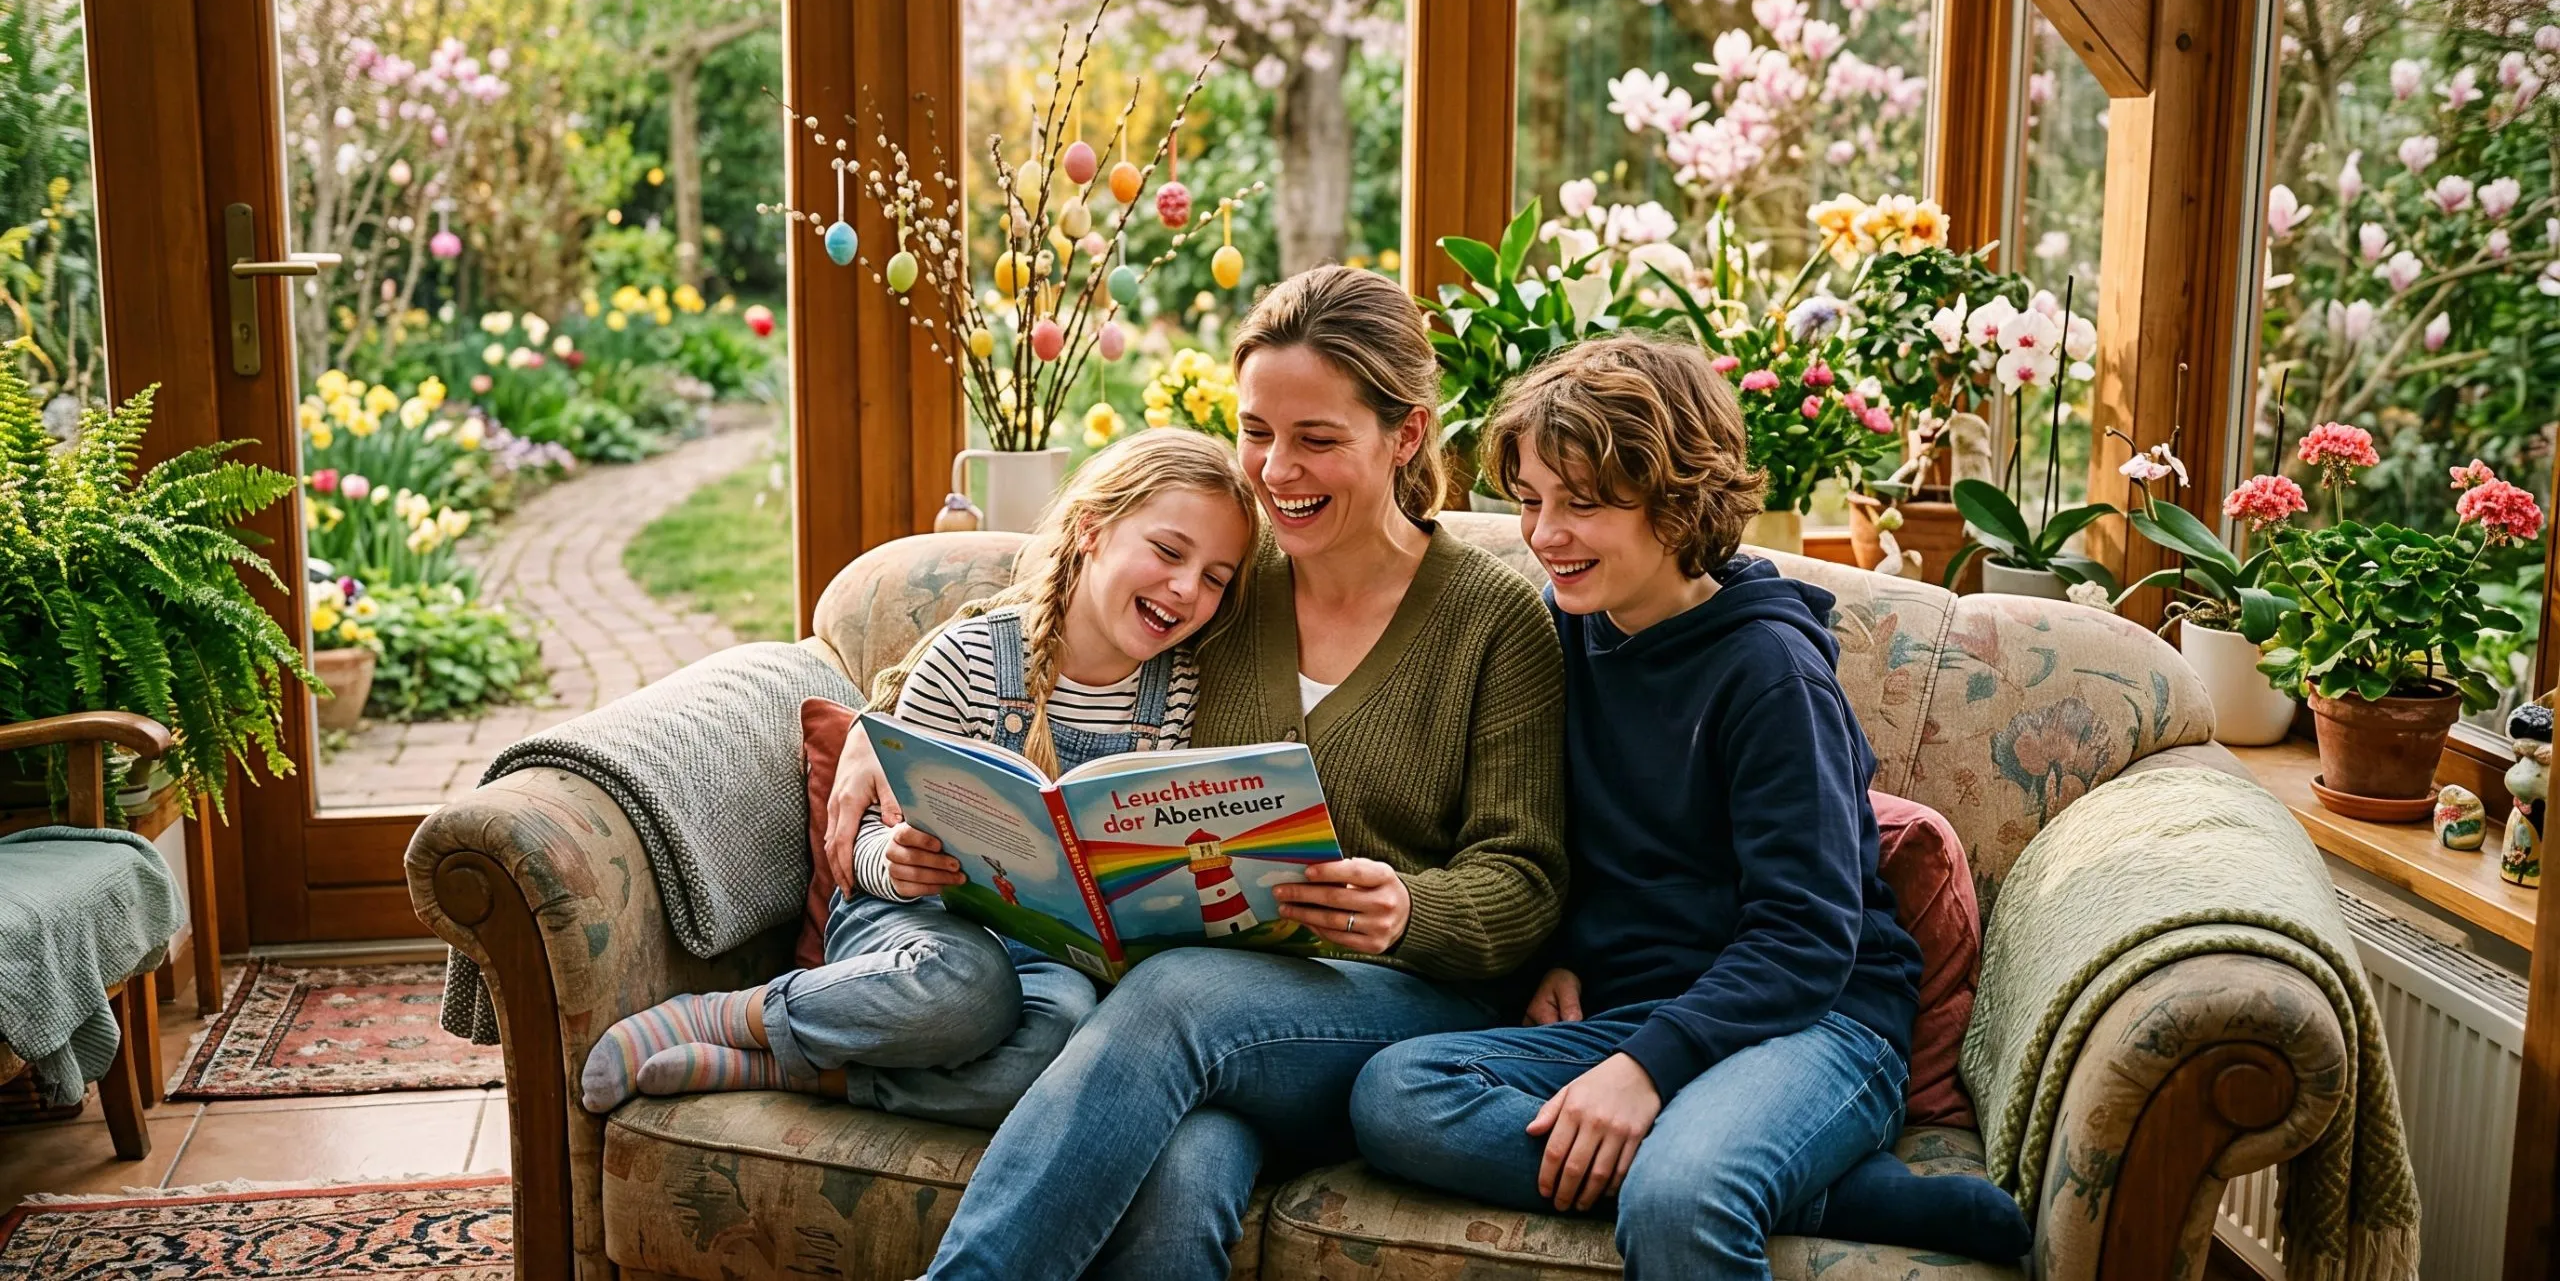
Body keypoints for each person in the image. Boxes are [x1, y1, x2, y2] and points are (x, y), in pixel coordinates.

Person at [824, 265, 1570, 1281]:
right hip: (1215, 1025)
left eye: (1316, 439)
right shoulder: (1224, 582)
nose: (1276, 469)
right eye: (1258, 430)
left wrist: (1406, 906)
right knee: (1186, 1163)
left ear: (1404, 438)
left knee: (1177, 994)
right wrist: (887, 704)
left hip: (1399, 1004)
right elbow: (1046, 609)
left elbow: (1526, 879)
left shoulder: (1494, 620)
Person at [1350, 338, 2031, 1278]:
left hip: (1817, 1022)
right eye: (1531, 500)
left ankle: (1719, 1167)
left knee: (1680, 1198)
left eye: (1582, 504)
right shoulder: (1563, 631)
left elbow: (1806, 935)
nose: (1546, 533)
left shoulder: (1770, 675)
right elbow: (1555, 837)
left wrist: (1644, 1071)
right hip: (1641, 1008)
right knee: (1397, 1094)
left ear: (1678, 505)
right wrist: (1560, 954)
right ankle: (1826, 1191)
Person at [576, 428, 1257, 1127]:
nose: (1185, 587)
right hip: (909, 923)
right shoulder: (968, 660)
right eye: (1169, 551)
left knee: (1058, 1043)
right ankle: (731, 1013)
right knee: (971, 987)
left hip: (1056, 960)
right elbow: (863, 842)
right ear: (1092, 530)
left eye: (1215, 577)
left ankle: (787, 1068)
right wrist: (896, 866)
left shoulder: (1178, 694)